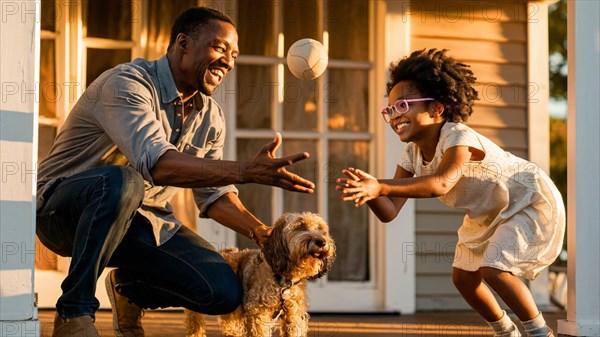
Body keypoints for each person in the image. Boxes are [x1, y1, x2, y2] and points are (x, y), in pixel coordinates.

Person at [36, 7, 315, 337]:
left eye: (234, 55)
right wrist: (244, 170)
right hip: (62, 213)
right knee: (123, 181)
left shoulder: (211, 117)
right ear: (184, 43)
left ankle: (128, 288)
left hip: (142, 222)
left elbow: (215, 196)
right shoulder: (127, 83)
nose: (228, 61)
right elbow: (158, 163)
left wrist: (260, 232)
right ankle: (74, 313)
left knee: (223, 292)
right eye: (219, 48)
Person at [336, 49, 564, 337]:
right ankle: (506, 332)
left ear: (437, 109)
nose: (395, 115)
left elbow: (441, 183)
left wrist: (379, 185)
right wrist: (369, 193)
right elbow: (390, 211)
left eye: (403, 105)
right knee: (463, 277)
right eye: (390, 109)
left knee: (493, 268)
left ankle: (540, 332)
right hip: (489, 213)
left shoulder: (458, 136)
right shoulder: (411, 154)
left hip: (526, 199)